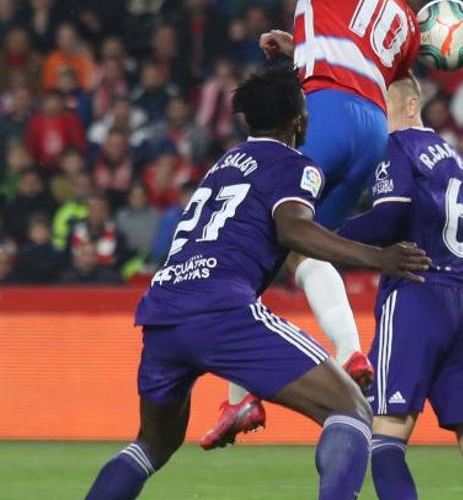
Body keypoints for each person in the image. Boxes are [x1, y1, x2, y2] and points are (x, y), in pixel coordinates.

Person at [84, 65, 430, 500]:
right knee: (351, 410)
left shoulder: (222, 164)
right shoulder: (295, 165)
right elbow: (294, 230)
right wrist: (378, 258)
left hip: (163, 311)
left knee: (151, 445)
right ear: (298, 120)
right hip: (221, 309)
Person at [195, 0, 421, 444]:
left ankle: (241, 397)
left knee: (250, 240)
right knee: (302, 249)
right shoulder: (405, 17)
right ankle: (351, 352)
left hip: (326, 111)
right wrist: (300, 47)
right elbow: (369, 65)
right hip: (371, 130)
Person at [336, 77, 463, 499]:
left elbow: (388, 218)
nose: (373, 114)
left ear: (411, 105)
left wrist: (329, 234)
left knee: (386, 437)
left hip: (415, 296)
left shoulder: (396, 147)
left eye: (380, 104)